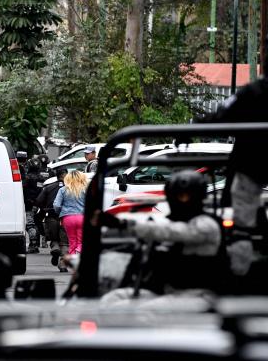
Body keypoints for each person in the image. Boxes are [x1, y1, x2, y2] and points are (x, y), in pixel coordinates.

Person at [99, 170, 227, 295]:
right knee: (113, 298)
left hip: (195, 294)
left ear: (197, 197)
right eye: (175, 196)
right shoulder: (178, 220)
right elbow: (161, 226)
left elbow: (171, 231)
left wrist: (124, 223)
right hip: (169, 290)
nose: (178, 201)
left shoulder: (206, 224)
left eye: (183, 196)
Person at [198, 77, 268, 286]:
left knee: (241, 229)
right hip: (251, 166)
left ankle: (238, 279)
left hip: (251, 164)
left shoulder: (255, 91)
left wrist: (196, 124)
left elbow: (223, 116)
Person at [34, 168, 69, 271]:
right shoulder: (71, 188)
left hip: (51, 216)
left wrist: (44, 208)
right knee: (65, 242)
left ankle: (55, 248)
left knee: (54, 238)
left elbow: (39, 201)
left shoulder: (48, 188)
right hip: (66, 217)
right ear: (65, 175)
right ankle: (63, 264)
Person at [53, 170, 87, 256]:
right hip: (82, 217)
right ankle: (79, 252)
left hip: (68, 218)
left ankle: (72, 263)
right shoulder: (86, 190)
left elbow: (56, 205)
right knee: (81, 241)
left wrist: (60, 213)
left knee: (72, 241)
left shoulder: (62, 190)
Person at [23, 158, 42, 253]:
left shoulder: (27, 178)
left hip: (28, 204)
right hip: (38, 204)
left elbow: (23, 191)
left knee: (30, 225)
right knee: (34, 224)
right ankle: (35, 244)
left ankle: (33, 244)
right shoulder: (41, 178)